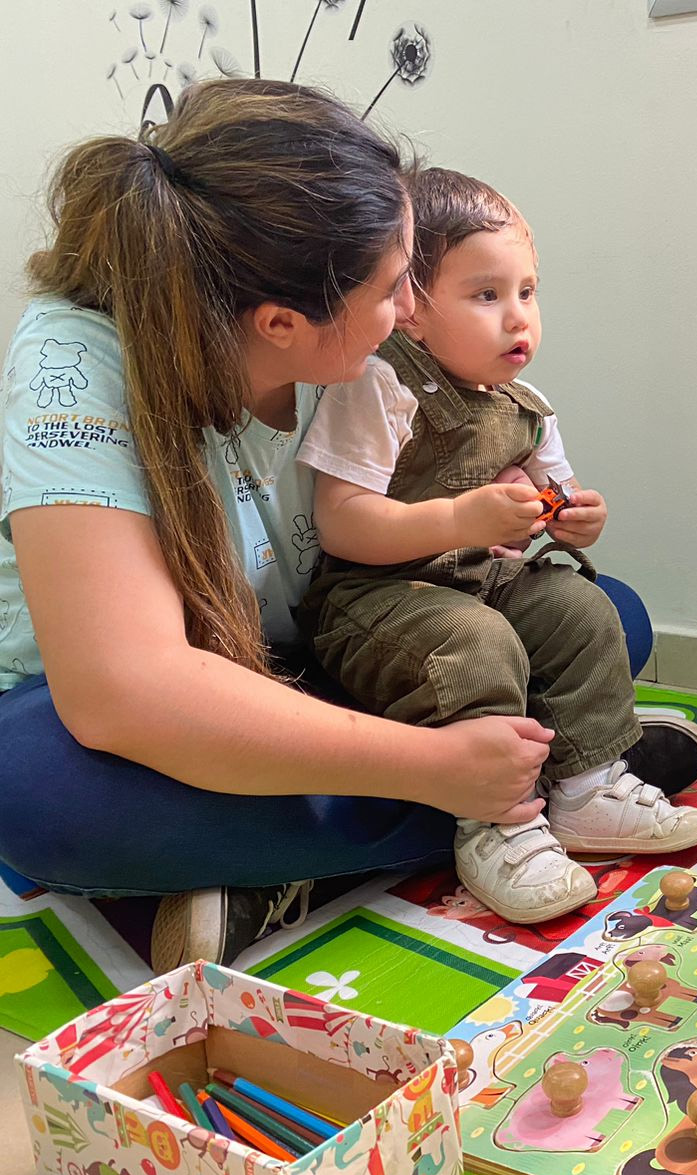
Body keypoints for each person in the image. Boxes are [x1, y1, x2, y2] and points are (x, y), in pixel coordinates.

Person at [0, 80, 556, 971]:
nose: (412, 312)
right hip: (108, 706)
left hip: (315, 646)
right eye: (390, 290)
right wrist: (426, 764)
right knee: (37, 794)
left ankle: (408, 811)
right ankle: (515, 789)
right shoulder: (75, 360)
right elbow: (123, 692)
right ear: (283, 325)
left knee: (597, 616)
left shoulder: (355, 351)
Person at [296, 167, 697, 926]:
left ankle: (586, 789)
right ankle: (498, 820)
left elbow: (562, 500)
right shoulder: (382, 384)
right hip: (375, 599)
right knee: (477, 640)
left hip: (477, 582)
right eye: (486, 296)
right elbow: (342, 522)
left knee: (583, 607)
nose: (518, 317)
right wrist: (459, 520)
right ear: (412, 309)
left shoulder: (527, 408)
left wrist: (579, 519)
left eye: (527, 291)